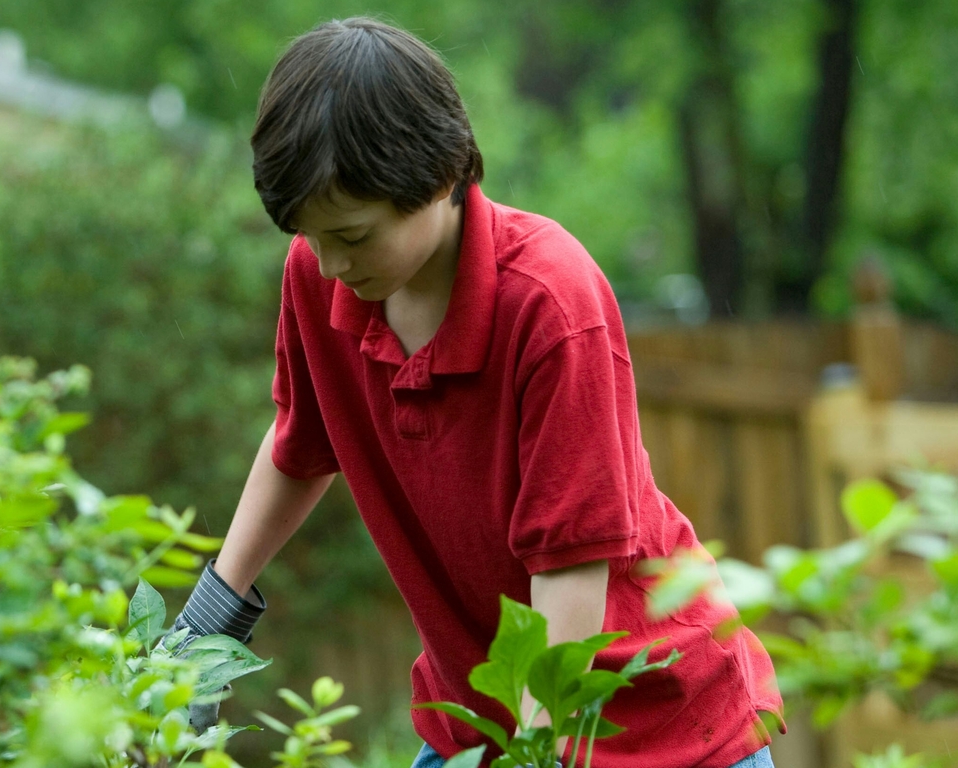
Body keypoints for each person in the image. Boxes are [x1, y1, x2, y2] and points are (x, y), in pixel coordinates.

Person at [168, 17, 784, 768]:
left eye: (354, 237)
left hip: (660, 729)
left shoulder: (549, 303)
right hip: (478, 728)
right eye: (308, 234)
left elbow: (570, 572)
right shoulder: (319, 276)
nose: (329, 264)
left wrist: (533, 754)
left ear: (435, 176)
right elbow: (302, 443)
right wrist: (207, 624)